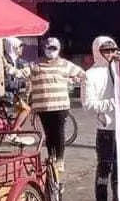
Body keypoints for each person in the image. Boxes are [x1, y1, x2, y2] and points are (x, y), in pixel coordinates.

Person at [28, 37, 85, 174]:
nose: (51, 51)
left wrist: (72, 80)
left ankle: (59, 159)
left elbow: (82, 74)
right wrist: (6, 67)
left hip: (60, 106)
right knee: (48, 133)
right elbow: (22, 73)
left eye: (54, 48)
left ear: (58, 50)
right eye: (49, 48)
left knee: (58, 133)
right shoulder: (35, 64)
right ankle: (51, 157)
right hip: (43, 107)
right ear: (44, 49)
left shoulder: (65, 64)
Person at [82, 36, 120, 201]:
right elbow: (88, 105)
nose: (110, 54)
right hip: (106, 130)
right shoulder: (90, 75)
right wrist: (112, 103)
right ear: (97, 51)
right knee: (104, 171)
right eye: (106, 50)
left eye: (113, 50)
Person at [1, 37, 32, 144]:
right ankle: (13, 133)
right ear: (13, 48)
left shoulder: (14, 59)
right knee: (26, 109)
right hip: (6, 92)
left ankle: (15, 126)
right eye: (19, 48)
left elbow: (24, 66)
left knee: (21, 107)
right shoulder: (6, 60)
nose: (21, 50)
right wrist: (22, 82)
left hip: (10, 91)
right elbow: (9, 81)